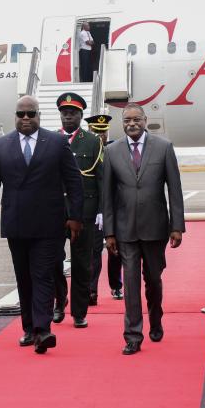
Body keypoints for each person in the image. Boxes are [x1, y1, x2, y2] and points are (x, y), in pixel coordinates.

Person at [0, 95, 83, 354]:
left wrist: (75, 216)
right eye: (20, 114)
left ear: (39, 115)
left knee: (43, 275)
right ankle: (28, 328)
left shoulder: (57, 142)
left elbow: (74, 182)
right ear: (15, 116)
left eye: (30, 114)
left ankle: (42, 329)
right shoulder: (1, 145)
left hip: (50, 224)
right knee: (24, 278)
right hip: (17, 224)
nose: (25, 118)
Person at [101, 103, 184, 355]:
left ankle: (156, 318)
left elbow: (175, 189)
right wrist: (109, 232)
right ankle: (133, 335)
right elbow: (107, 196)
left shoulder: (164, 147)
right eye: (127, 120)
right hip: (125, 230)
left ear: (145, 120)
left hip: (155, 227)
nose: (132, 124)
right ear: (122, 123)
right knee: (130, 282)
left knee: (153, 279)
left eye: (136, 119)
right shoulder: (112, 151)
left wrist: (176, 226)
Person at [52, 93, 101, 328]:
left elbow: (100, 178)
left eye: (73, 113)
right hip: (54, 211)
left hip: (84, 212)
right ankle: (59, 302)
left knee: (82, 263)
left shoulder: (92, 141)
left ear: (81, 116)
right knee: (53, 260)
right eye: (65, 112)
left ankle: (79, 312)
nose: (68, 116)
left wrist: (101, 210)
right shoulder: (50, 139)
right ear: (60, 115)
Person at [85, 113, 122, 303]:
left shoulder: (114, 149)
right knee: (94, 251)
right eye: (96, 132)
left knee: (116, 251)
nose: (101, 136)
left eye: (103, 132)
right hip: (95, 210)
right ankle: (92, 291)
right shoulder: (85, 149)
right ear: (89, 131)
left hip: (114, 208)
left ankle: (116, 286)